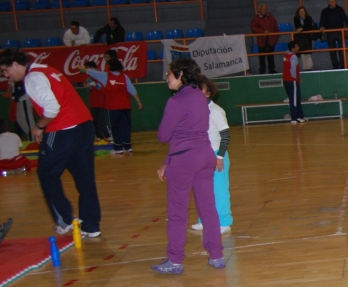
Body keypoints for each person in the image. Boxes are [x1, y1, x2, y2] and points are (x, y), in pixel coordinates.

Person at [0, 48, 102, 237]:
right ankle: (91, 226)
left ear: (15, 64)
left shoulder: (32, 78)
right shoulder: (48, 69)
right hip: (84, 127)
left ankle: (65, 221)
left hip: (63, 129)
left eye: (5, 70)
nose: (6, 75)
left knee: (46, 173)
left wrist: (39, 127)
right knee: (85, 180)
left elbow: (52, 109)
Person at [154, 58, 224, 274]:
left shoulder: (176, 101)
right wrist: (167, 160)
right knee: (208, 208)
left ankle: (175, 260)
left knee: (177, 211)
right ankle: (217, 255)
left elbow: (164, 135)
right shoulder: (199, 97)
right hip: (205, 156)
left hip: (184, 159)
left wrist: (170, 160)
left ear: (180, 74)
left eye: (169, 74)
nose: (167, 79)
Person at [190, 76, 233, 235]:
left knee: (219, 190)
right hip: (199, 156)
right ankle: (204, 220)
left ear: (208, 93)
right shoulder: (194, 110)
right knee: (202, 190)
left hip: (215, 155)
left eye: (199, 89)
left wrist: (220, 157)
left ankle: (224, 222)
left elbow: (225, 136)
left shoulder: (216, 111)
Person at [79, 58, 143, 154]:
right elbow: (132, 90)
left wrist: (81, 68)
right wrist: (138, 102)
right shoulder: (124, 76)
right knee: (125, 126)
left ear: (109, 66)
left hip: (113, 107)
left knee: (115, 127)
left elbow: (91, 72)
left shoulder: (105, 76)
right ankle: (128, 147)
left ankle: (118, 148)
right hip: (125, 106)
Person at [319, 0, 348, 70]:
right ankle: (335, 66)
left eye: (335, 1)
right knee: (332, 50)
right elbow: (322, 20)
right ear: (329, 2)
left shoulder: (340, 9)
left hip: (340, 31)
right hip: (330, 32)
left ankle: (343, 65)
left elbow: (344, 17)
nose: (334, 3)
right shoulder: (325, 11)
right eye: (332, 1)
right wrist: (322, 26)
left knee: (342, 49)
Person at [83, 61, 111, 142]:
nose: (86, 70)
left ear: (92, 68)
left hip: (101, 101)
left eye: (87, 68)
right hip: (93, 101)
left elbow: (106, 87)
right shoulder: (88, 78)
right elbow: (87, 89)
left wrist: (96, 85)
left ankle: (108, 135)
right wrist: (89, 86)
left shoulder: (101, 75)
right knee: (94, 120)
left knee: (101, 119)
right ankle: (100, 136)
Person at [283, 41, 307, 124]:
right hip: (292, 80)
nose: (298, 48)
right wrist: (295, 77)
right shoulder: (293, 57)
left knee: (295, 98)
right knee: (294, 99)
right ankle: (295, 117)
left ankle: (300, 116)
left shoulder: (286, 55)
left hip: (286, 80)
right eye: (297, 46)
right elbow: (292, 69)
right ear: (293, 48)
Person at [251, 4, 279, 74]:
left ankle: (271, 69)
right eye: (263, 9)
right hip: (262, 40)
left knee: (271, 56)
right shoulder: (256, 18)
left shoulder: (271, 17)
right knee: (262, 57)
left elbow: (275, 26)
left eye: (265, 9)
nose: (264, 10)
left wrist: (276, 35)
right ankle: (262, 70)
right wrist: (263, 32)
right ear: (260, 10)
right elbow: (253, 28)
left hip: (271, 40)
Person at [293, 5, 318, 71]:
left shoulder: (308, 18)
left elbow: (308, 27)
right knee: (302, 53)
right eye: (300, 12)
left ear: (305, 12)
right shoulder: (296, 18)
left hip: (307, 37)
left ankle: (309, 67)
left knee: (308, 53)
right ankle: (304, 68)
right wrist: (301, 29)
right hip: (300, 38)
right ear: (298, 13)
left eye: (303, 11)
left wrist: (302, 29)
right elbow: (297, 26)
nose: (302, 13)